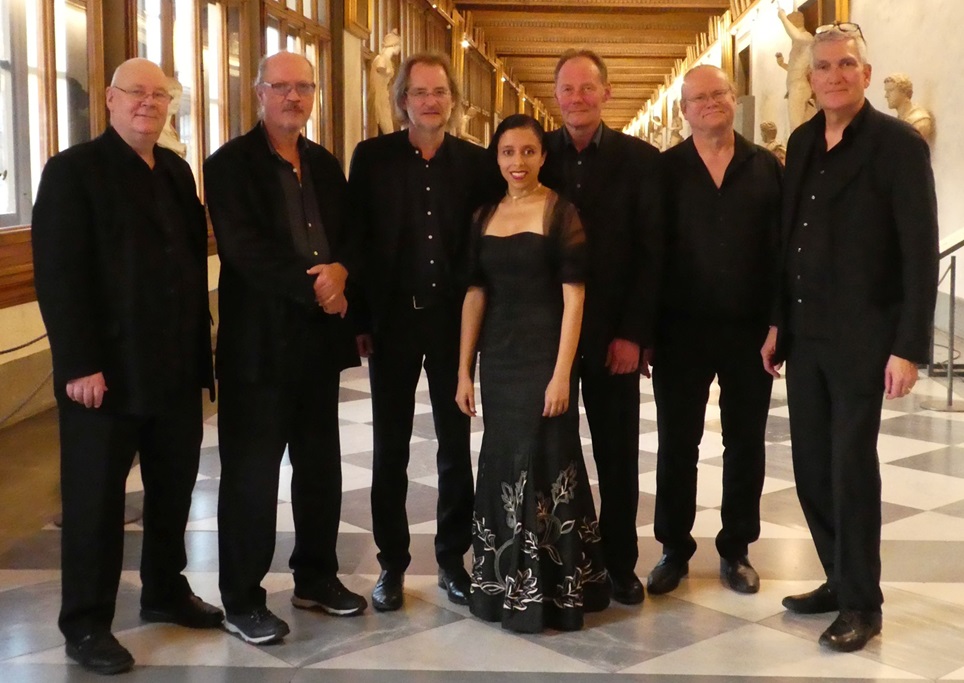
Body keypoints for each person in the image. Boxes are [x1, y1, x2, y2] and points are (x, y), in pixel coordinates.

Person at [32, 57, 222, 675]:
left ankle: (164, 590)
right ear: (110, 100)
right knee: (95, 501)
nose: (148, 103)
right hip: (106, 372)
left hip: (173, 366)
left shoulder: (175, 170)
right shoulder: (72, 171)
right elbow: (60, 275)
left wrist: (202, 353)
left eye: (158, 95)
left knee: (172, 488)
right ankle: (86, 623)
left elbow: (188, 261)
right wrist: (79, 363)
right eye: (135, 92)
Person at [761, 23, 938, 652]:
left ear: (865, 73)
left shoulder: (897, 145)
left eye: (846, 65)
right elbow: (789, 239)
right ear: (810, 79)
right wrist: (778, 322)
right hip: (806, 332)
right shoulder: (804, 140)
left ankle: (863, 603)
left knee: (850, 469)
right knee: (810, 466)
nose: (834, 75)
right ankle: (837, 577)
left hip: (864, 337)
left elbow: (919, 250)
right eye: (823, 67)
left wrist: (909, 347)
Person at [204, 51, 367, 645]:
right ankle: (242, 598)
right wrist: (318, 286)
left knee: (320, 468)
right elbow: (244, 250)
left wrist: (343, 270)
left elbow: (351, 234)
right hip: (259, 347)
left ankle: (315, 577)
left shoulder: (324, 163)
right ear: (259, 93)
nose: (293, 97)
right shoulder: (228, 165)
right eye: (281, 87)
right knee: (251, 476)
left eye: (303, 87)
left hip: (318, 345)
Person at [348, 53, 493, 612]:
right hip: (394, 322)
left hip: (453, 324)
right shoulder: (373, 158)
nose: (431, 101)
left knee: (455, 446)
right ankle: (392, 564)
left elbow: (485, 244)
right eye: (419, 92)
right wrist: (360, 321)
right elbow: (357, 239)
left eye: (440, 92)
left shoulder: (476, 163)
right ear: (402, 100)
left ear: (452, 100)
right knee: (391, 446)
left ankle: (454, 560)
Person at [456, 114, 609, 632]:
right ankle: (504, 586)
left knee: (547, 460)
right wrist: (464, 370)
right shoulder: (484, 214)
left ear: (543, 156)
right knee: (503, 461)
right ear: (496, 158)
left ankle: (557, 592)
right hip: (499, 360)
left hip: (546, 356)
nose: (517, 162)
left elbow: (575, 299)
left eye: (527, 151)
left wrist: (563, 373)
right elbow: (474, 294)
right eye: (507, 152)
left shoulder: (560, 211)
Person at [647, 65, 782, 597]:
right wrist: (645, 331)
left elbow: (782, 252)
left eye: (718, 94)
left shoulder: (765, 167)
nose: (709, 103)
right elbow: (650, 253)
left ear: (733, 99)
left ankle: (736, 548)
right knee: (677, 442)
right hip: (680, 330)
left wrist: (779, 323)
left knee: (745, 442)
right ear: (684, 110)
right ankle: (673, 548)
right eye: (698, 98)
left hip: (750, 331)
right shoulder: (665, 170)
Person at [541, 48, 662, 605]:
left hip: (614, 335)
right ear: (555, 96)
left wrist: (634, 334)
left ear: (607, 93)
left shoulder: (640, 160)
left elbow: (652, 253)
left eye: (588, 88)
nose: (578, 98)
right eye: (568, 89)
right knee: (552, 453)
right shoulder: (536, 154)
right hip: (551, 338)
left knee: (617, 456)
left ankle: (619, 563)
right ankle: (556, 561)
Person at [775, 8, 816, 131]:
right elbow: (795, 69)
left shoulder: (806, 38)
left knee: (796, 127)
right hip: (795, 87)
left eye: (790, 22)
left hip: (799, 87)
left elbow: (796, 35)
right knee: (803, 125)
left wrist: (783, 18)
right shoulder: (799, 43)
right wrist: (782, 64)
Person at [883, 73, 934, 143]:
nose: (886, 96)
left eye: (890, 90)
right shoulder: (900, 119)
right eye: (886, 91)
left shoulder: (918, 121)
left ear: (904, 92)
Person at [370, 30, 401, 135]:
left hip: (385, 95)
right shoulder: (381, 59)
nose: (399, 49)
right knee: (385, 127)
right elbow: (380, 68)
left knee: (387, 127)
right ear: (394, 45)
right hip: (380, 96)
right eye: (399, 45)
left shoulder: (386, 60)